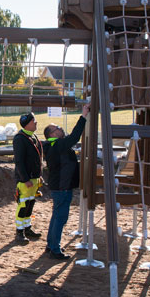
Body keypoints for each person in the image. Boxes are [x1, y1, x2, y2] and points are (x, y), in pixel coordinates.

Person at [42, 103, 90, 260]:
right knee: (60, 217)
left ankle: (51, 245)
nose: (61, 129)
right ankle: (55, 250)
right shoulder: (58, 145)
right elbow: (75, 136)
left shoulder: (54, 145)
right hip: (62, 188)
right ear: (52, 134)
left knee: (56, 216)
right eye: (58, 128)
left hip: (60, 187)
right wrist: (83, 116)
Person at [12, 112, 44, 244]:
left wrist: (39, 176)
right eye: (33, 121)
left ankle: (27, 228)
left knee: (30, 204)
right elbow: (19, 161)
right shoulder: (20, 138)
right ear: (27, 124)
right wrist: (25, 179)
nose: (36, 123)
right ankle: (19, 231)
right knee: (23, 204)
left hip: (34, 178)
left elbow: (37, 159)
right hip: (26, 180)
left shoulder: (33, 137)